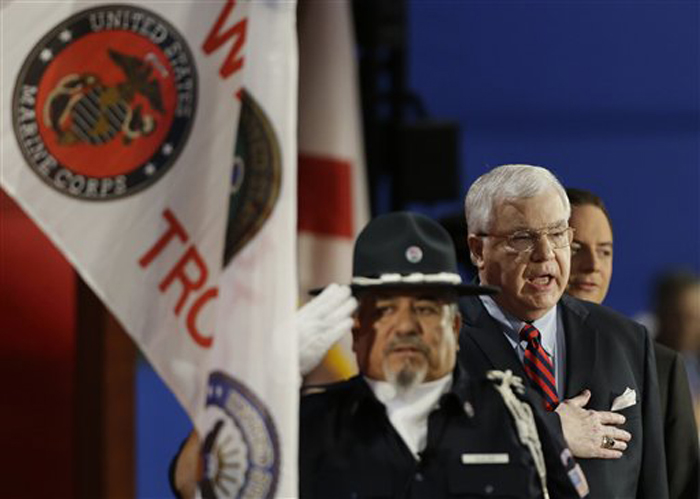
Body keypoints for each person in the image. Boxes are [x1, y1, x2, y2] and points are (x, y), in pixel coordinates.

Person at [301, 211, 587, 498]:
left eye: (425, 309)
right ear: (357, 330)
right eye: (385, 310)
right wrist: (274, 376)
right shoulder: (307, 426)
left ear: (455, 325)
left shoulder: (516, 416)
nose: (405, 327)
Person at [459, 164, 668, 499]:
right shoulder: (442, 341)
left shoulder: (626, 340)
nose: (546, 255)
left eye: (557, 235)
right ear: (477, 250)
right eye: (523, 238)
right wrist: (552, 431)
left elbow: (651, 485)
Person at [565, 188, 699, 499]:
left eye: (605, 251)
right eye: (575, 248)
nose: (593, 265)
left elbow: (682, 486)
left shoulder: (658, 364)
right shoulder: (513, 351)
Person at [653, 271, 700, 430]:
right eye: (677, 317)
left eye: (693, 317)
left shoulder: (694, 360)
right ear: (660, 314)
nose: (685, 327)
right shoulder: (643, 365)